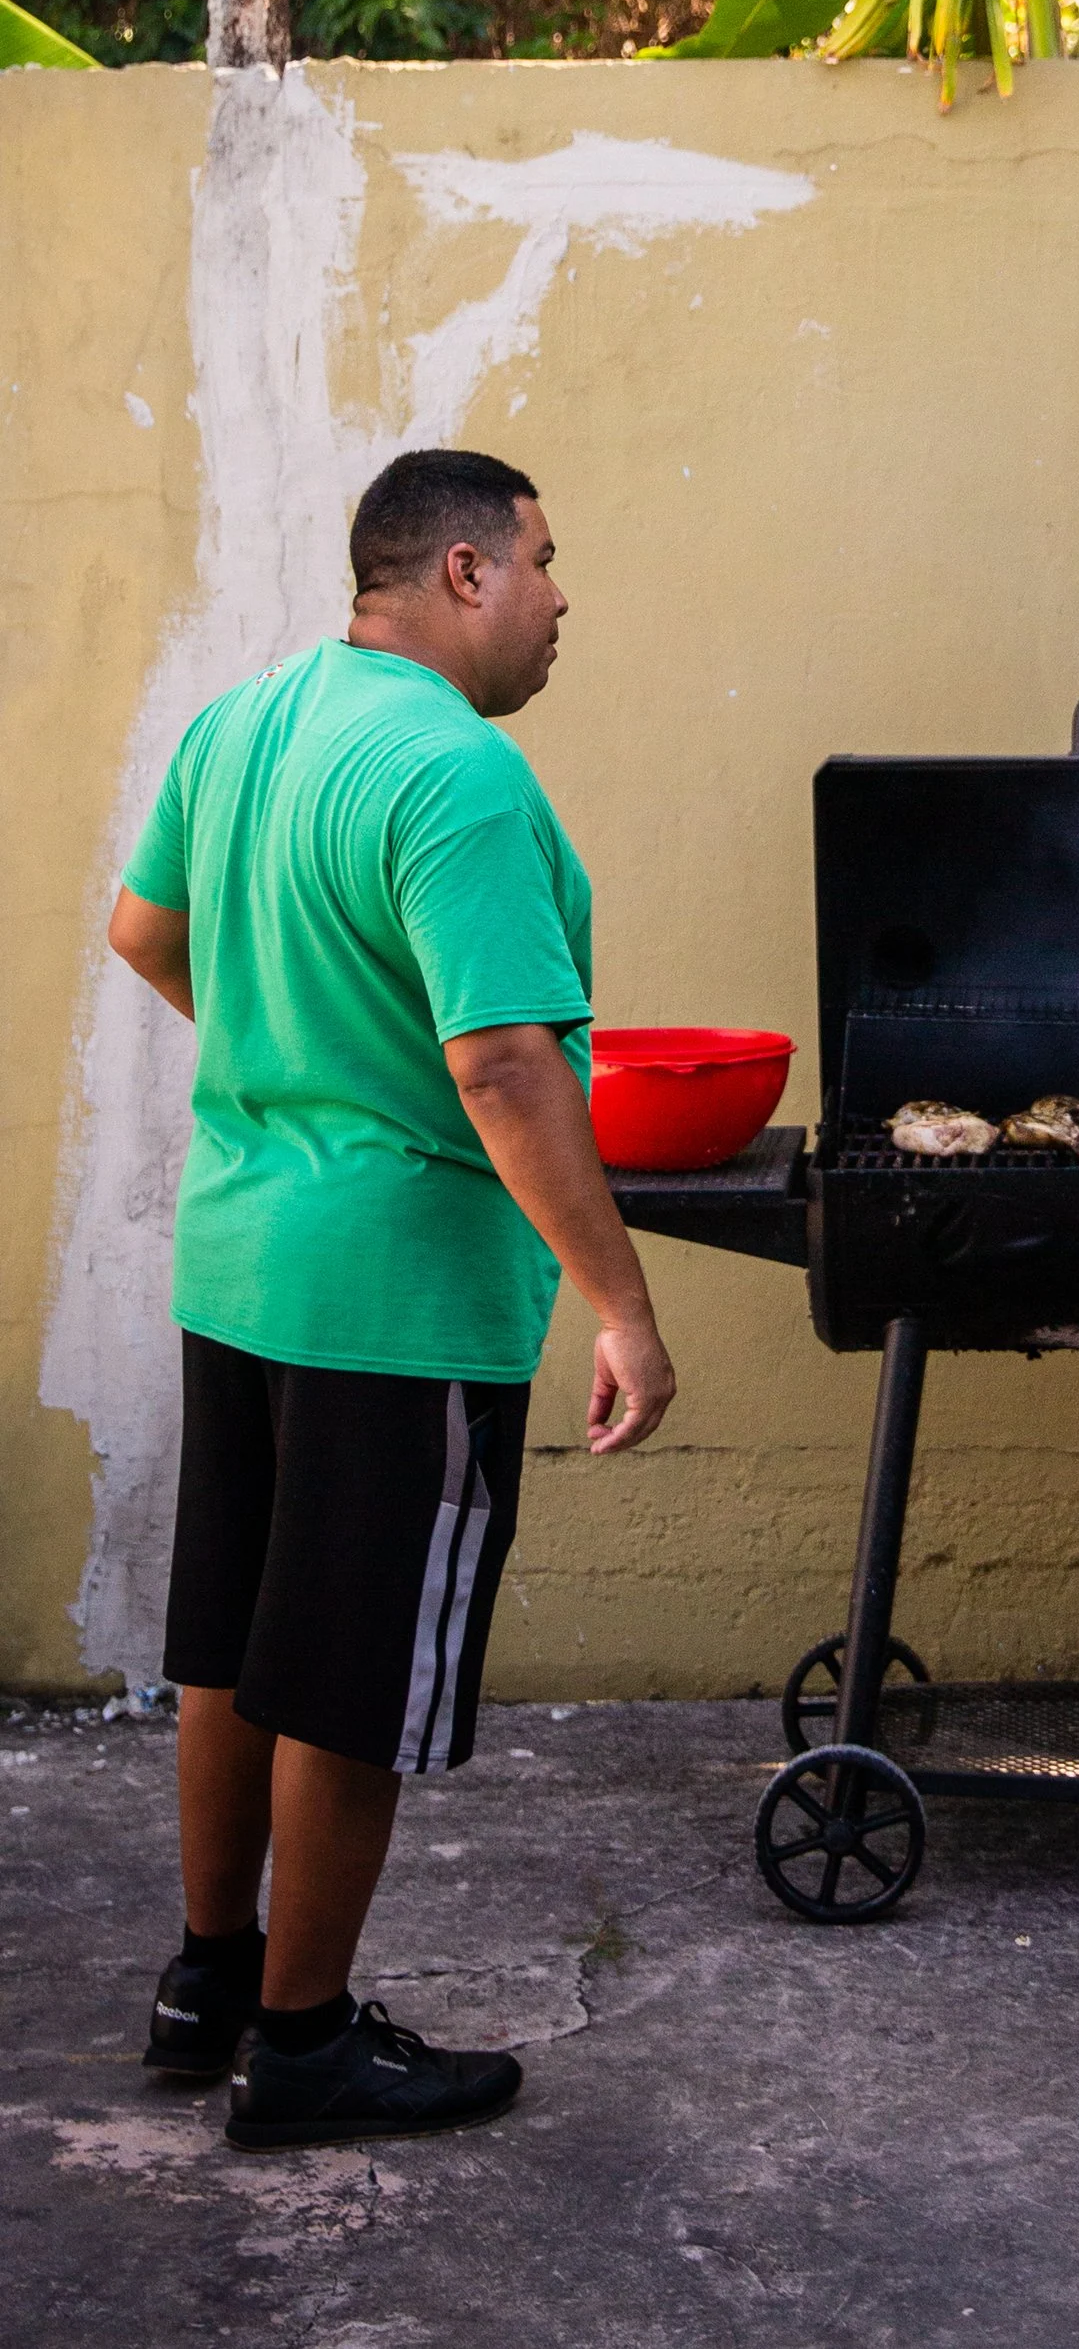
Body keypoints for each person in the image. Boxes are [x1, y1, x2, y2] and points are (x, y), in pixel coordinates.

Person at [106, 447, 677, 2152]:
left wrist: (299, 1069)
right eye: (548, 561)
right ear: (463, 573)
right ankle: (302, 2045)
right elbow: (503, 1063)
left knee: (230, 1651)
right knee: (349, 1682)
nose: (567, 597)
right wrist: (620, 1302)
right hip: (398, 1292)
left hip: (244, 1258)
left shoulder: (244, 722)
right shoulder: (457, 773)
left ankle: (207, 1982)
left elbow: (146, 933)